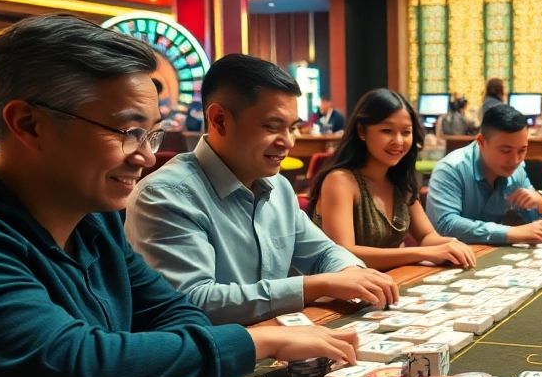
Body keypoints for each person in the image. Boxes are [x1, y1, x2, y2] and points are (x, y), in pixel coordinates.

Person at [0, 15, 357, 377]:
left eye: (151, 135)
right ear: (28, 124)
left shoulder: (97, 217)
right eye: (128, 132)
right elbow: (76, 366)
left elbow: (177, 313)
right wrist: (260, 342)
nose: (147, 157)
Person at [125, 54, 398, 326]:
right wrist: (317, 285)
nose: (288, 142)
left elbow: (324, 253)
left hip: (278, 343)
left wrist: (350, 272)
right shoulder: (166, 194)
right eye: (272, 127)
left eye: (293, 128)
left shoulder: (277, 186)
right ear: (219, 120)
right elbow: (193, 301)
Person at [308, 88, 476, 271]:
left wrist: (453, 244)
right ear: (362, 131)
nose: (398, 141)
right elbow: (344, 254)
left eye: (406, 132)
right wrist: (423, 253)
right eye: (387, 130)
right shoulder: (340, 181)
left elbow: (427, 236)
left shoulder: (400, 180)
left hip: (391, 285)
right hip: (342, 294)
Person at [426, 103, 542, 245]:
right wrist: (509, 233)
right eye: (505, 151)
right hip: (447, 259)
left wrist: (541, 203)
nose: (515, 160)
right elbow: (446, 225)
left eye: (522, 150)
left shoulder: (516, 170)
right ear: (481, 142)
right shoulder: (451, 169)